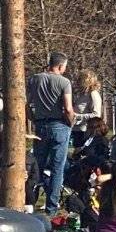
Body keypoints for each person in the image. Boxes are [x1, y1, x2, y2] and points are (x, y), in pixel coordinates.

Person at [27, 52, 75, 216]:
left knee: (37, 167)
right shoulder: (64, 82)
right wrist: (70, 122)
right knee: (57, 168)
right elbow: (68, 108)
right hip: (59, 125)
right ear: (61, 66)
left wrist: (33, 119)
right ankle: (51, 209)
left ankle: (30, 202)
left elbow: (26, 103)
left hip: (40, 125)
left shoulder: (34, 79)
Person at [71, 69, 104, 147]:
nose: (77, 81)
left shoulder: (93, 94)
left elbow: (96, 115)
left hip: (86, 130)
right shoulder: (82, 94)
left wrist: (78, 116)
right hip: (77, 129)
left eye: (80, 79)